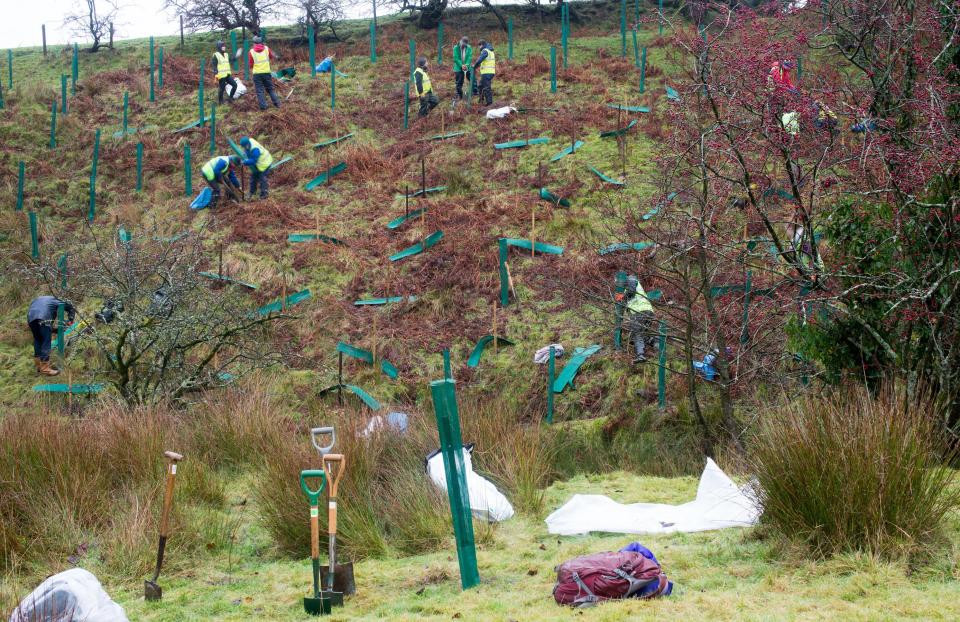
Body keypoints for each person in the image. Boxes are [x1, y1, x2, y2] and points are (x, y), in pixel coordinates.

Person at [27, 295, 75, 376]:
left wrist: (56, 330)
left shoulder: (39, 299)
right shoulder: (55, 300)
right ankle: (45, 368)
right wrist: (70, 319)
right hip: (43, 317)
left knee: (38, 339)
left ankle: (39, 365)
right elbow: (70, 307)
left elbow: (45, 328)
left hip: (31, 318)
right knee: (46, 340)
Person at [622, 275, 656, 363]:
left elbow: (631, 291)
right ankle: (659, 346)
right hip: (647, 311)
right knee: (644, 334)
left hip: (640, 311)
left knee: (637, 333)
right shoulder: (632, 285)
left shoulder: (631, 279)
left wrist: (623, 297)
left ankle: (640, 355)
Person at [249, 35, 280, 110]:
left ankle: (263, 107)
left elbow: (250, 64)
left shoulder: (251, 52)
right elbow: (271, 57)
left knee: (260, 91)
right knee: (270, 89)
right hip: (266, 73)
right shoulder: (266, 48)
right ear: (261, 42)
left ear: (254, 43)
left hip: (257, 74)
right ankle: (277, 104)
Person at [212, 40, 238, 104]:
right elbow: (214, 66)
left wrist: (234, 58)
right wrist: (216, 74)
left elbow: (230, 60)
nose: (224, 47)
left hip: (227, 74)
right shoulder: (215, 55)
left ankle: (230, 98)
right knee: (222, 89)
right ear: (219, 47)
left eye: (224, 46)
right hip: (221, 75)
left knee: (235, 85)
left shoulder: (226, 54)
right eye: (222, 46)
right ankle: (220, 101)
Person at [473, 40, 496, 106]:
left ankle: (489, 103)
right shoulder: (490, 51)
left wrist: (475, 66)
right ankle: (481, 100)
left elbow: (480, 59)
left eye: (479, 46)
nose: (479, 48)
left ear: (482, 45)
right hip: (490, 72)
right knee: (480, 86)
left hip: (487, 72)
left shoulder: (485, 51)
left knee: (486, 87)